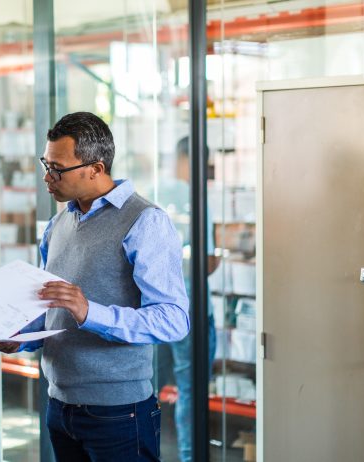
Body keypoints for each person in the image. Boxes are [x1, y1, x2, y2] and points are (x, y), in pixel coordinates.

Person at [0, 112, 190, 461]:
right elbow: (52, 309)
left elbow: (173, 319)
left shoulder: (145, 221)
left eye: (57, 168)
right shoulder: (58, 224)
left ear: (96, 169)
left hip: (118, 411)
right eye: (45, 163)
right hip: (60, 403)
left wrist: (90, 313)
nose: (46, 177)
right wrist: (19, 336)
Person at [157, 136, 221, 462]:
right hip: (191, 312)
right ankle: (188, 457)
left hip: (155, 310)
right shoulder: (199, 198)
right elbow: (206, 260)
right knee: (190, 392)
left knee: (148, 389)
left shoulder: (156, 195)